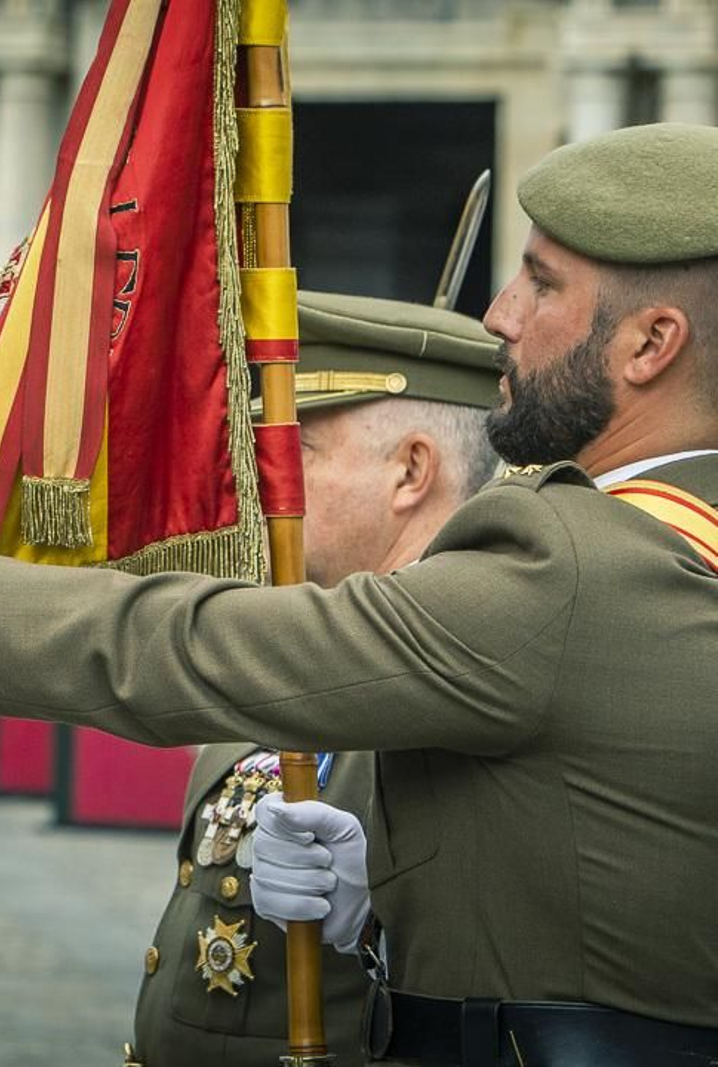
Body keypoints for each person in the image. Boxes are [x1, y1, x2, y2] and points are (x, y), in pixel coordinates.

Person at [0, 123, 718, 1062]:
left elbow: (176, 645)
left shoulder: (578, 556)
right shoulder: (668, 552)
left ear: (648, 342)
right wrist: (389, 905)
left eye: (538, 282)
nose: (498, 315)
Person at [131, 291, 499, 1067]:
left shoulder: (472, 671)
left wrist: (390, 912)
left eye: (297, 451)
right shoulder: (293, 631)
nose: (261, 480)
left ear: (411, 471)